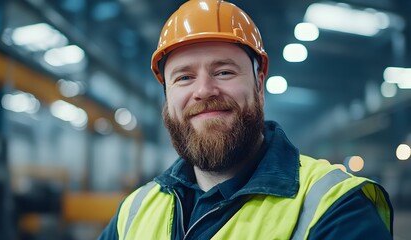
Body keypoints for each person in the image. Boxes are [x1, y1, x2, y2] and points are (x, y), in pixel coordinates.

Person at [99, 0, 393, 239]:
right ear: (167, 96)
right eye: (185, 77)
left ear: (259, 84)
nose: (203, 91)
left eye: (224, 72)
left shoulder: (335, 209)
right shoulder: (134, 212)